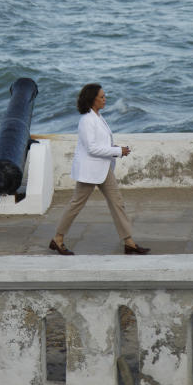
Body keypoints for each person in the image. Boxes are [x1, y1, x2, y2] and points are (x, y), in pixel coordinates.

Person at [49, 83, 150, 256]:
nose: (105, 99)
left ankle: (129, 242)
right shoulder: (87, 120)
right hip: (90, 171)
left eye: (104, 96)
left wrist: (115, 148)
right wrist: (117, 151)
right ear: (92, 99)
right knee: (76, 204)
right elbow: (92, 149)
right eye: (101, 97)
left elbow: (100, 144)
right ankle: (57, 239)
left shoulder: (97, 116)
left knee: (117, 203)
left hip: (103, 168)